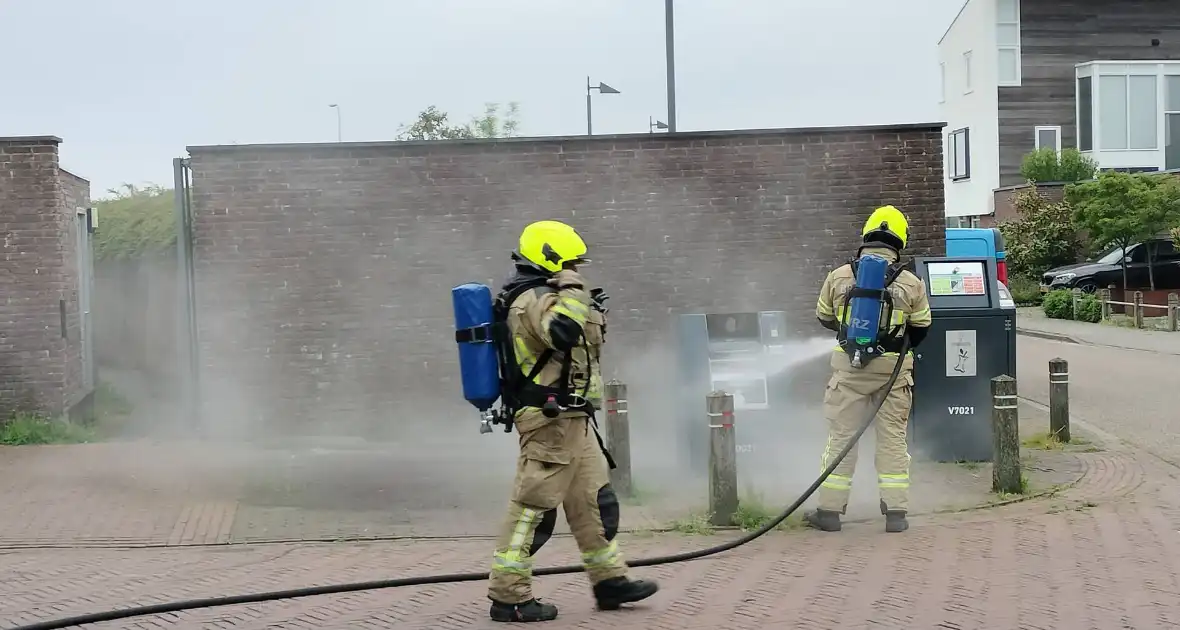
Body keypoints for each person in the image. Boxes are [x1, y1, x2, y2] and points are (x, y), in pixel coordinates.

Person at [486, 220, 658, 623]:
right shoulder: (532, 298)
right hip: (548, 421)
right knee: (534, 508)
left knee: (593, 504)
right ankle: (508, 595)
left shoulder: (554, 294)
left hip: (575, 418)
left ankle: (609, 581)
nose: (578, 270)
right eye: (573, 263)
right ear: (553, 258)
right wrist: (574, 290)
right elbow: (560, 333)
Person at [806, 205, 932, 534]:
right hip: (894, 376)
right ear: (899, 241)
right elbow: (922, 329)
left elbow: (824, 317)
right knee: (892, 441)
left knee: (842, 439)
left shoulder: (839, 276)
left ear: (866, 237)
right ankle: (896, 514)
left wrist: (854, 336)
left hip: (848, 372)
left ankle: (829, 512)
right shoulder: (911, 282)